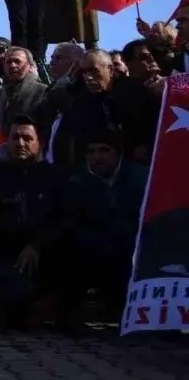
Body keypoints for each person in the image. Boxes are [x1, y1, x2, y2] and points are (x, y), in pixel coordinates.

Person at [0, 117, 73, 330]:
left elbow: (66, 219)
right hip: (2, 254)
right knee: (12, 295)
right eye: (15, 137)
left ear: (39, 142)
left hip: (46, 254)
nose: (20, 143)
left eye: (27, 138)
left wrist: (37, 246)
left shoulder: (56, 179)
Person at [66, 129, 147, 324]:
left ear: (118, 154)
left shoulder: (142, 178)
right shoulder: (77, 182)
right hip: (98, 247)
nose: (97, 157)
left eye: (104, 150)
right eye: (91, 151)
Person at [0, 48, 46, 135]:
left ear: (29, 66)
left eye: (17, 61)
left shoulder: (42, 92)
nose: (12, 65)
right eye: (8, 62)